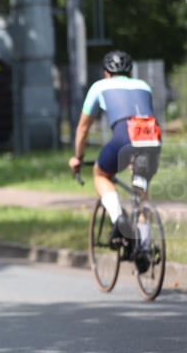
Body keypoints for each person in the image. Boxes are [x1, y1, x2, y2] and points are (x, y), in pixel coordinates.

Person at [68, 50, 159, 266]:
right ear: (130, 71)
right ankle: (144, 246)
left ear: (106, 72)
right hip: (152, 137)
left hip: (124, 137)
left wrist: (78, 157)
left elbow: (82, 129)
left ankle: (119, 218)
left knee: (101, 174)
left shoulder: (99, 86)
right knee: (141, 190)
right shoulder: (143, 86)